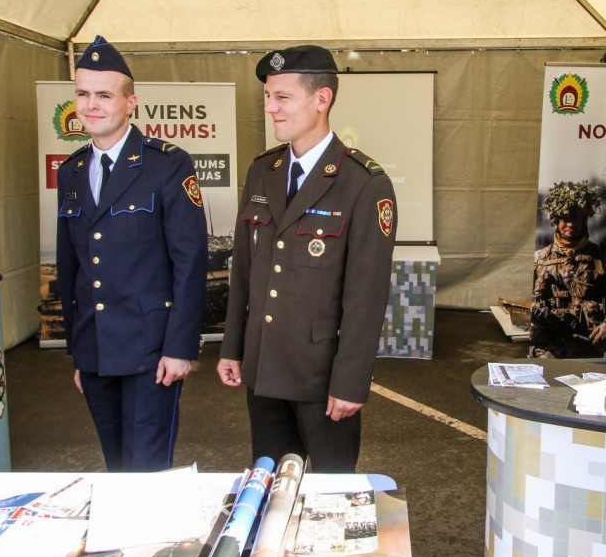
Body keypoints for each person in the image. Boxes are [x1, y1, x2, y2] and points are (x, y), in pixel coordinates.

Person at [218, 45, 397, 473]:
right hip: (264, 369)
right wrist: (233, 347)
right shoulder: (263, 171)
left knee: (332, 490)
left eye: (282, 97)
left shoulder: (363, 183)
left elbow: (366, 297)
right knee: (269, 484)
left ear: (322, 99)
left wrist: (351, 382)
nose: (270, 108)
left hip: (322, 378)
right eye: (268, 96)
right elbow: (243, 270)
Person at [54, 36, 206, 472]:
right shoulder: (72, 171)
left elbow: (190, 260)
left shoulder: (166, 164)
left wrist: (180, 348)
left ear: (130, 102)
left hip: (150, 350)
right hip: (96, 348)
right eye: (83, 94)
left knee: (147, 470)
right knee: (116, 466)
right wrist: (79, 353)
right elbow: (70, 266)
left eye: (104, 95)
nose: (91, 105)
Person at [531, 180, 606, 358]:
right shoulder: (539, 260)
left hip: (588, 352)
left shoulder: (603, 259)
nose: (571, 224)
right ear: (556, 219)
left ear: (585, 218)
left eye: (576, 218)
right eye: (565, 218)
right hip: (548, 352)